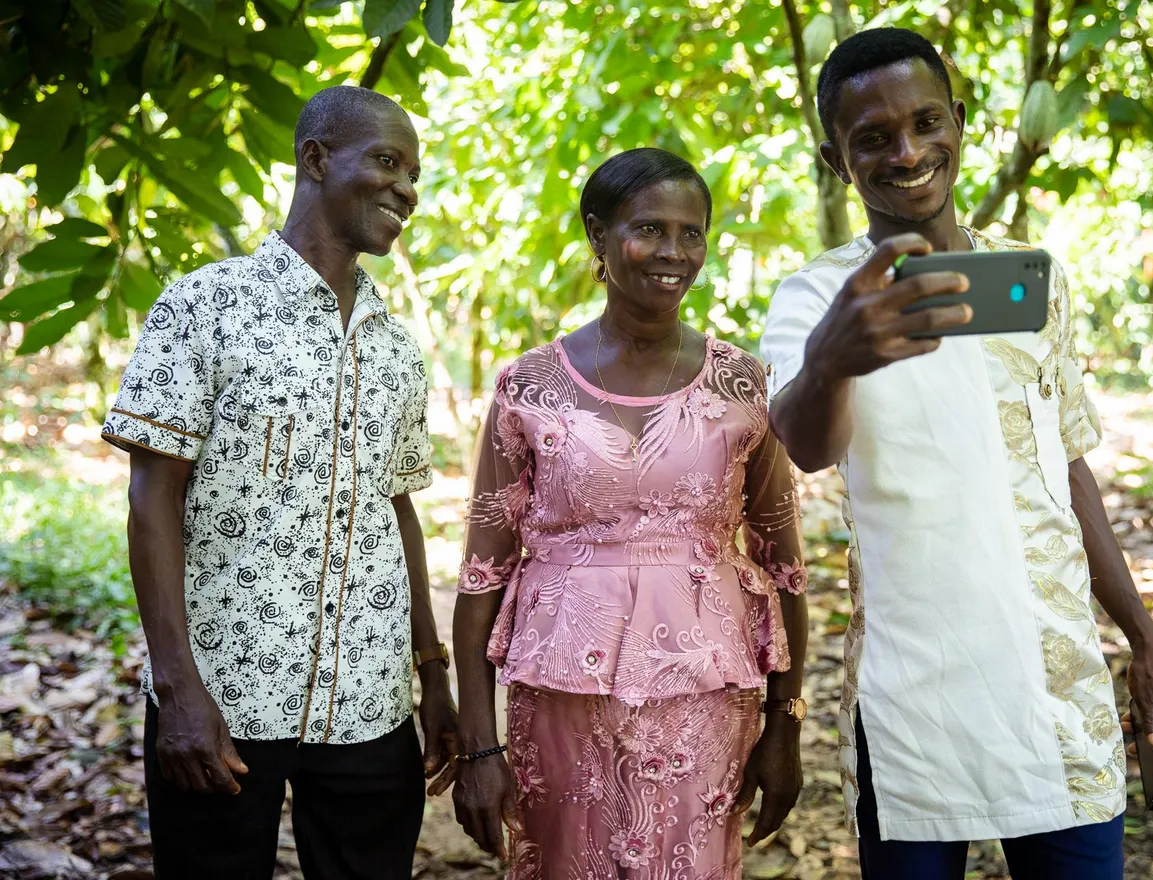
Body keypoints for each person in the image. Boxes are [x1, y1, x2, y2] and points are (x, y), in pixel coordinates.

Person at [760, 28, 1153, 879]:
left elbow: (1067, 470)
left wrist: (1144, 638)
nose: (907, 152)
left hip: (1054, 680)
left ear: (960, 120)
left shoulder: (1033, 282)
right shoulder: (815, 296)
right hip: (916, 690)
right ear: (835, 160)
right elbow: (807, 446)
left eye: (925, 122)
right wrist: (835, 355)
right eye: (872, 138)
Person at [100, 86, 459, 880]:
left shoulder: (398, 348)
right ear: (316, 158)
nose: (407, 189)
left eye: (416, 174)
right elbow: (151, 496)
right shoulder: (205, 305)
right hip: (223, 694)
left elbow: (396, 511)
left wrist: (432, 675)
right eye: (388, 162)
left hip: (368, 699)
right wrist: (177, 689)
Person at [449, 147, 809, 876]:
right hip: (557, 692)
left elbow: (784, 564)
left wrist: (786, 724)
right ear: (599, 235)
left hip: (706, 692)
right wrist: (477, 744)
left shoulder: (743, 383)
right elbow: (484, 572)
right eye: (650, 229)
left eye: (692, 233)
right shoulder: (530, 384)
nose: (674, 253)